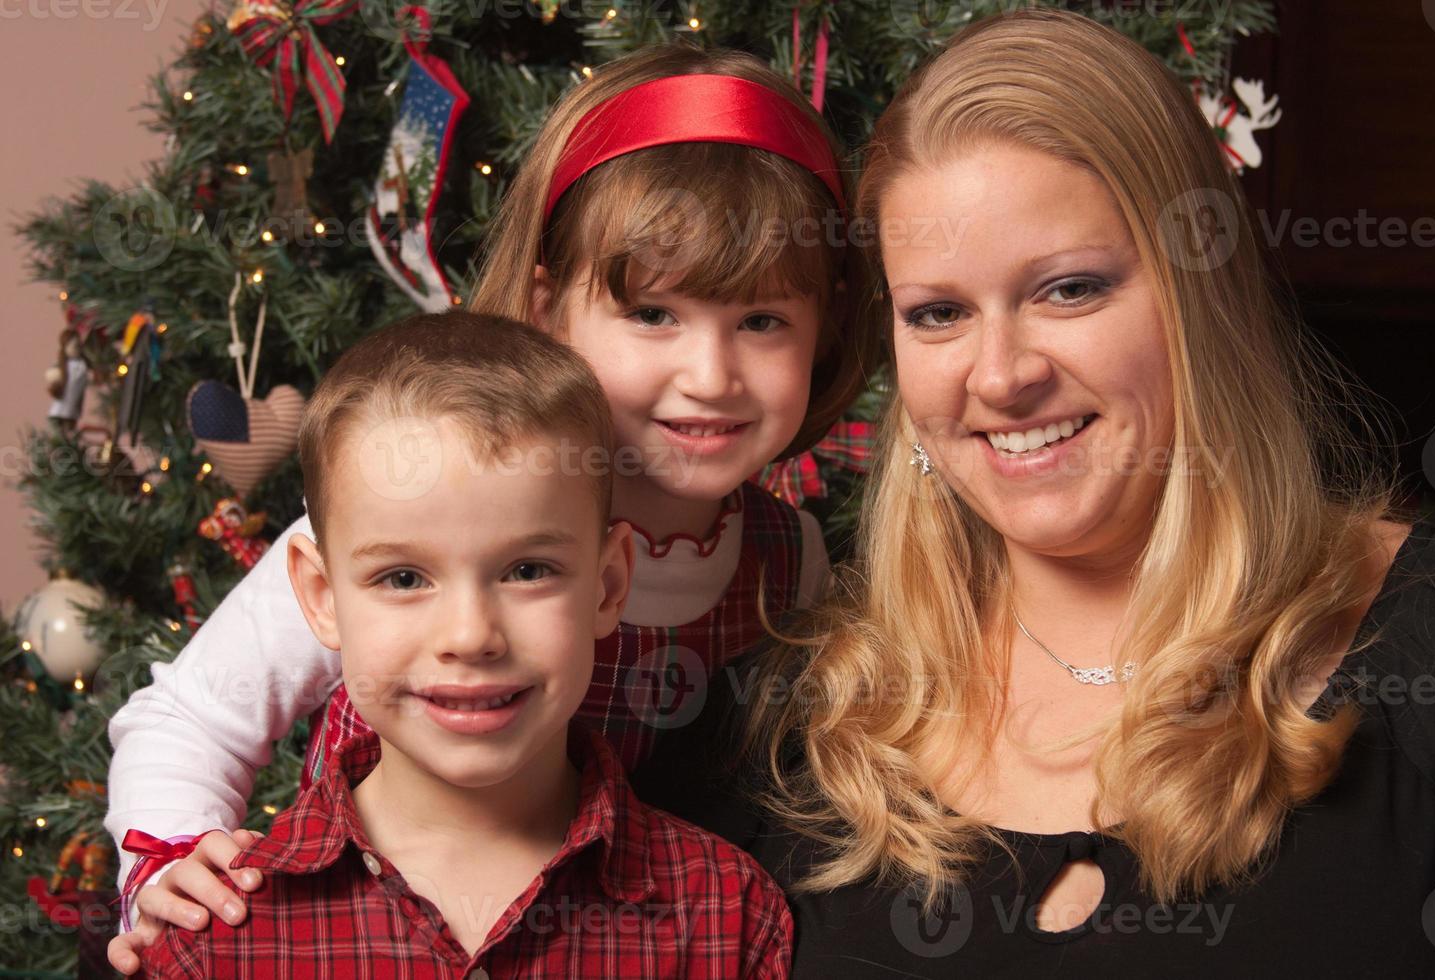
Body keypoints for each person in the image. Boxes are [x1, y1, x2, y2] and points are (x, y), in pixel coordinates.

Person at [632, 10, 1435, 976]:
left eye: (1069, 289)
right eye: (939, 313)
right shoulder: (787, 723)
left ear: (1203, 295)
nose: (1000, 376)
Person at [106, 41, 875, 972]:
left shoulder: (786, 559)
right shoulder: (401, 515)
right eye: (653, 315)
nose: (709, 377)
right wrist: (174, 858)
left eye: (761, 322)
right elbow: (191, 716)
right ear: (551, 310)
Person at [134, 311, 792, 978]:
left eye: (528, 570)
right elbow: (185, 722)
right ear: (322, 598)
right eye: (403, 577)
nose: (471, 635)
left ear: (608, 583)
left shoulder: (725, 918)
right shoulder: (214, 940)